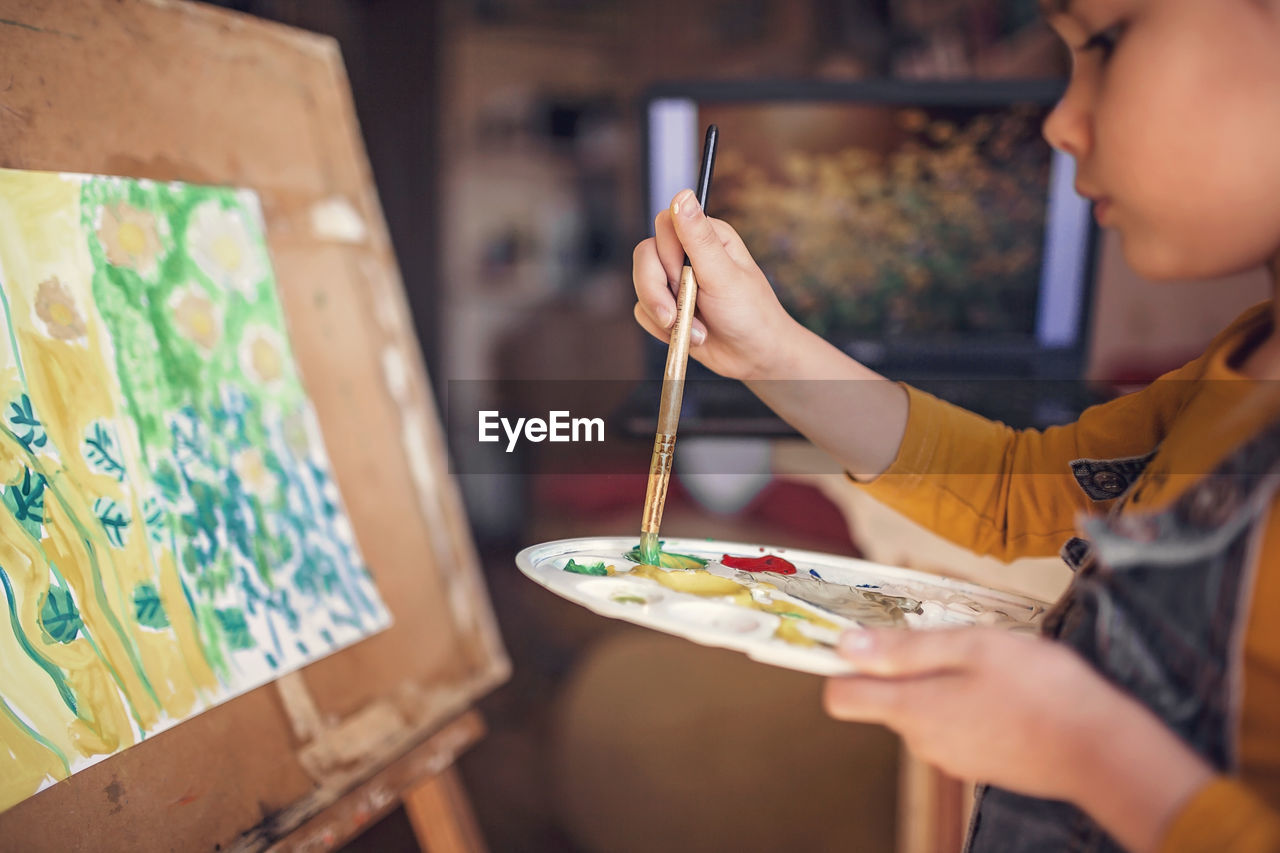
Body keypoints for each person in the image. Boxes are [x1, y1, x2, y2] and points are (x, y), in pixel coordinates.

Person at [630, 1, 1280, 850]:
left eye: (1109, 44)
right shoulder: (1244, 363)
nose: (1060, 122)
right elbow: (1010, 490)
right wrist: (767, 349)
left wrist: (1087, 750)